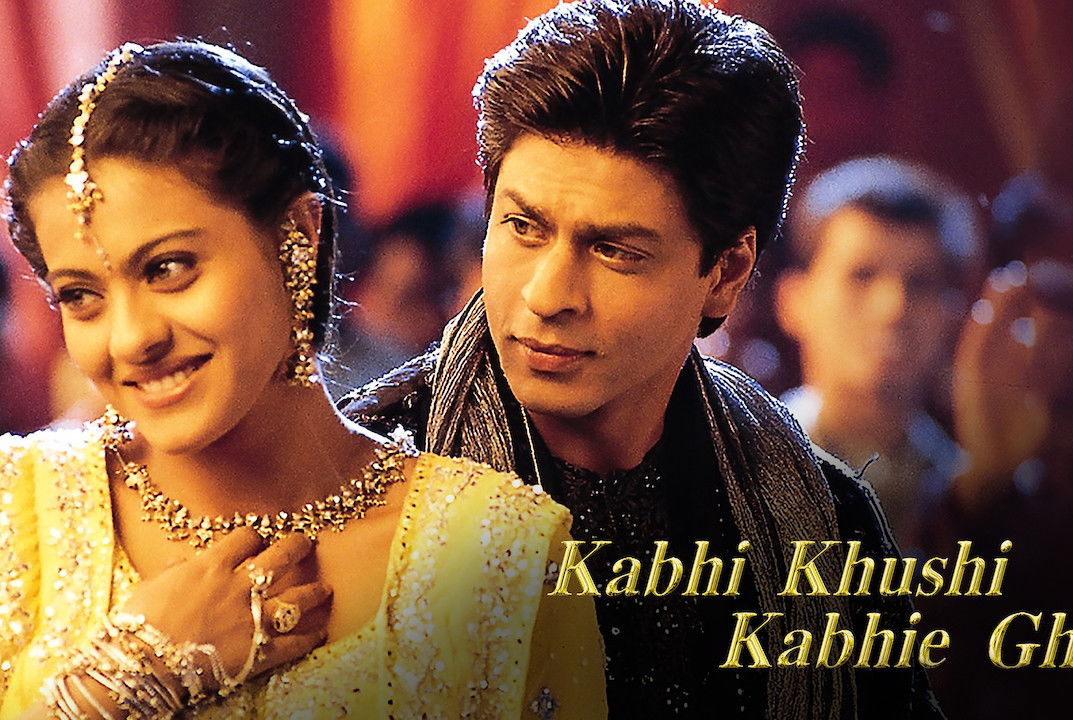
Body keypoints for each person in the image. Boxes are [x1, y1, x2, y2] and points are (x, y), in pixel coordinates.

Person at [342, 1, 942, 717]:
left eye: (614, 251)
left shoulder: (825, 518)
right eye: (524, 227)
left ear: (726, 272)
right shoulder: (355, 475)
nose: (547, 296)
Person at [0, 40, 604, 719]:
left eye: (168, 268)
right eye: (81, 296)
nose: (131, 338)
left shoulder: (502, 550)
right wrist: (124, 680)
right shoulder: (16, 510)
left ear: (300, 234)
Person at [775, 157, 981, 553]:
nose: (893, 308)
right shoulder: (732, 472)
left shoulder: (973, 500)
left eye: (920, 283)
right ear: (793, 300)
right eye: (862, 275)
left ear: (952, 316)